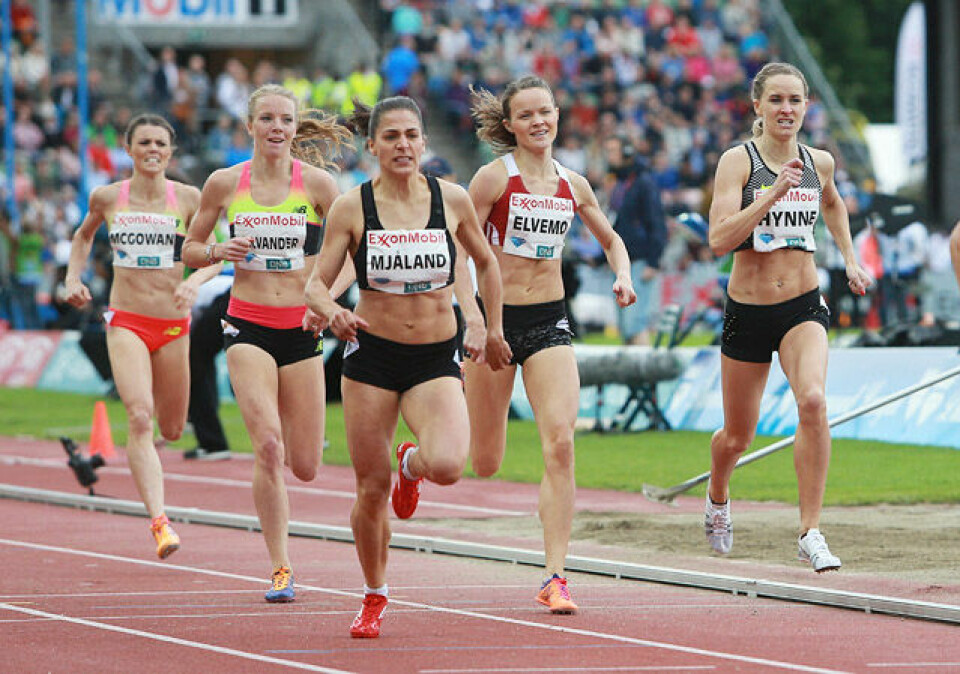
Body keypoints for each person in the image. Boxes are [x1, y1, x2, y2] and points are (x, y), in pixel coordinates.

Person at [304, 95, 510, 638]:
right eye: (390, 136)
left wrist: (484, 323)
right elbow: (315, 285)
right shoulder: (353, 207)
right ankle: (374, 593)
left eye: (411, 136)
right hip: (371, 358)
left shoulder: (452, 199)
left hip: (433, 356)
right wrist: (333, 313)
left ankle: (412, 464)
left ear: (424, 142)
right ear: (372, 145)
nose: (402, 145)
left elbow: (486, 263)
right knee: (370, 491)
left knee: (448, 464)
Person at [465, 75, 637, 613]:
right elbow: (451, 247)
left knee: (561, 443)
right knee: (484, 460)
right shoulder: (493, 179)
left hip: (549, 323)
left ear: (558, 115)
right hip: (495, 323)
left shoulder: (573, 183)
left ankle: (555, 576)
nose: (539, 122)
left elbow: (611, 239)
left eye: (547, 111)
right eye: (527, 115)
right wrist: (473, 317)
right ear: (511, 125)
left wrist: (623, 275)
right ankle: (414, 463)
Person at [182, 84, 350, 602]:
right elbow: (188, 247)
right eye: (267, 119)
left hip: (301, 332)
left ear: (296, 129)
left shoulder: (320, 186)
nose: (277, 127)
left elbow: (351, 253)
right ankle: (281, 567)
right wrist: (215, 251)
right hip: (247, 325)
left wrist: (322, 302)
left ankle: (283, 553)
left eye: (286, 120)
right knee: (269, 446)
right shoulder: (225, 183)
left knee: (305, 464)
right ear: (250, 126)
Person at [705, 62, 872, 572]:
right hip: (749, 311)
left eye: (795, 101)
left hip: (802, 302)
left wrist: (849, 258)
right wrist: (773, 194)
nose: (786, 110)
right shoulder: (739, 162)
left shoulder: (819, 161)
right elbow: (718, 240)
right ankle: (717, 496)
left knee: (815, 401)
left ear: (806, 107)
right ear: (757, 106)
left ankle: (810, 530)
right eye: (776, 100)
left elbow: (835, 206)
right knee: (737, 436)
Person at [64, 113, 219, 559]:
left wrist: (196, 281)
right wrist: (73, 278)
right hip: (127, 319)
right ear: (128, 150)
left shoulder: (189, 198)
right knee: (138, 417)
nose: (153, 150)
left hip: (172, 326)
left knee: (171, 426)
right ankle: (160, 522)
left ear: (170, 153)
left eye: (160, 144)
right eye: (144, 143)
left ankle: (155, 473)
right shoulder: (109, 197)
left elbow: (217, 253)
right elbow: (82, 237)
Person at [602, 134, 668, 345]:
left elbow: (656, 223)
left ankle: (645, 377)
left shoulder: (643, 183)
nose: (609, 156)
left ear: (627, 153)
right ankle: (631, 378)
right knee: (625, 327)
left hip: (640, 261)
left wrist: (653, 261)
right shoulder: (621, 183)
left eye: (613, 150)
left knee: (635, 324)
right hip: (623, 263)